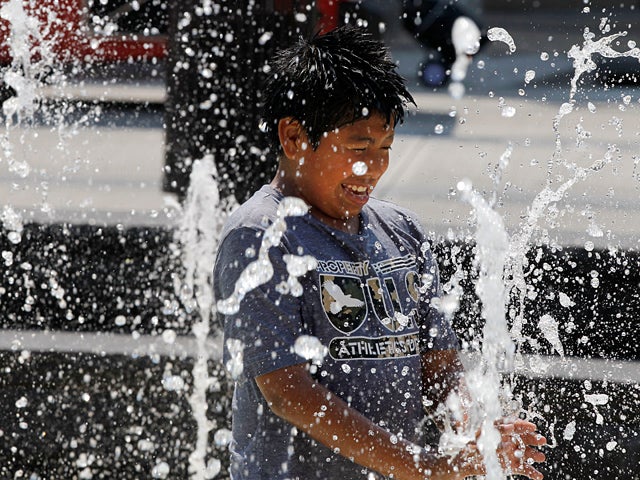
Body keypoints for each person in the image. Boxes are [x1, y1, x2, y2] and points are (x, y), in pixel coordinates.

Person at [213, 25, 546, 480]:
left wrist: (474, 428)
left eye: (385, 148)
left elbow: (440, 369)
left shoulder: (401, 230)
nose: (372, 168)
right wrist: (424, 467)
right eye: (357, 147)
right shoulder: (261, 235)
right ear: (293, 138)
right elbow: (288, 392)